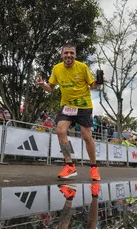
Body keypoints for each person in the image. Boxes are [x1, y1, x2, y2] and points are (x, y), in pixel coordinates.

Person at [36, 44, 102, 180]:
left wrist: (99, 82)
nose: (69, 55)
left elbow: (93, 85)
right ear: (62, 55)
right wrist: (44, 85)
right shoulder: (57, 69)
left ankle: (94, 167)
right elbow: (51, 88)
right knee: (60, 130)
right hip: (66, 106)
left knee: (86, 136)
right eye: (66, 53)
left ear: (75, 55)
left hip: (84, 106)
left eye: (72, 53)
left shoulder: (83, 67)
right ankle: (69, 165)